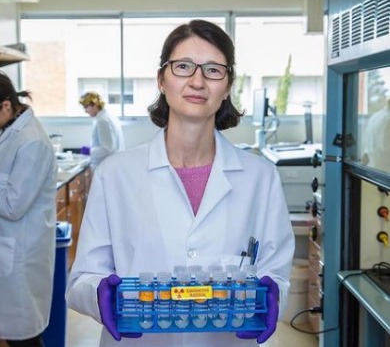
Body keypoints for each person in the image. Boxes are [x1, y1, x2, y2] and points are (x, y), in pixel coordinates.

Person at [66, 20, 294, 347]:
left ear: (228, 86)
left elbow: (278, 276)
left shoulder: (261, 177)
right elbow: (81, 279)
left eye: (213, 70)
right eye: (183, 66)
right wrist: (100, 293)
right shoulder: (115, 175)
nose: (197, 81)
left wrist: (273, 294)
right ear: (161, 79)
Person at [0, 73, 57, 347]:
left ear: (6, 106)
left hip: (21, 254)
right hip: (9, 249)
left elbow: (13, 205)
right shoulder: (10, 131)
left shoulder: (31, 141)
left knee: (24, 336)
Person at [79, 92, 125, 171]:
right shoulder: (109, 117)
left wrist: (89, 151)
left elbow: (106, 149)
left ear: (95, 105)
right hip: (112, 165)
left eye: (86, 107)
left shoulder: (102, 121)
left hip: (105, 167)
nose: (85, 111)